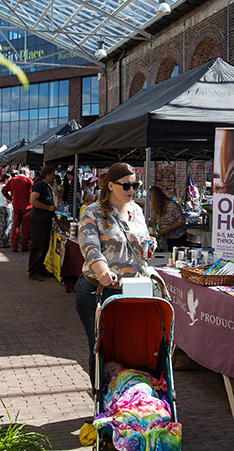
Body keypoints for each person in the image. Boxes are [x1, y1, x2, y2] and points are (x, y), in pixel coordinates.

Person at [75, 163, 152, 374]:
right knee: (102, 349)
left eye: (135, 185)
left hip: (133, 290)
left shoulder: (137, 210)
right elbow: (89, 247)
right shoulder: (93, 212)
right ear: (110, 185)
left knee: (131, 347)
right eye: (126, 185)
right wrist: (103, 272)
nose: (131, 190)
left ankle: (129, 390)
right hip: (99, 291)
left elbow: (142, 241)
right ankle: (100, 392)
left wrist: (149, 246)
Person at [92, 360, 181, 451]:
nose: (110, 373)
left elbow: (150, 382)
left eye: (113, 369)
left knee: (149, 404)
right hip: (126, 399)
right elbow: (110, 399)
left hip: (141, 390)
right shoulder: (112, 385)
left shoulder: (132, 373)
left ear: (123, 367)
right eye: (106, 375)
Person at [27, 169, 58, 281]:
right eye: (52, 175)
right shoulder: (39, 185)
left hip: (45, 219)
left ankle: (41, 268)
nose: (53, 178)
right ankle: (34, 271)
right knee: (38, 246)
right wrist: (47, 208)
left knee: (44, 245)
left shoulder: (46, 186)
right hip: (39, 219)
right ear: (48, 175)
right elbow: (33, 200)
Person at [3, 168, 33, 253]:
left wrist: (11, 199)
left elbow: (4, 190)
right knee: (25, 227)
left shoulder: (12, 180)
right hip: (26, 206)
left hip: (16, 205)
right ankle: (24, 246)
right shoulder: (28, 180)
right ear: (26, 173)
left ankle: (14, 246)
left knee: (15, 226)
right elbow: (33, 191)